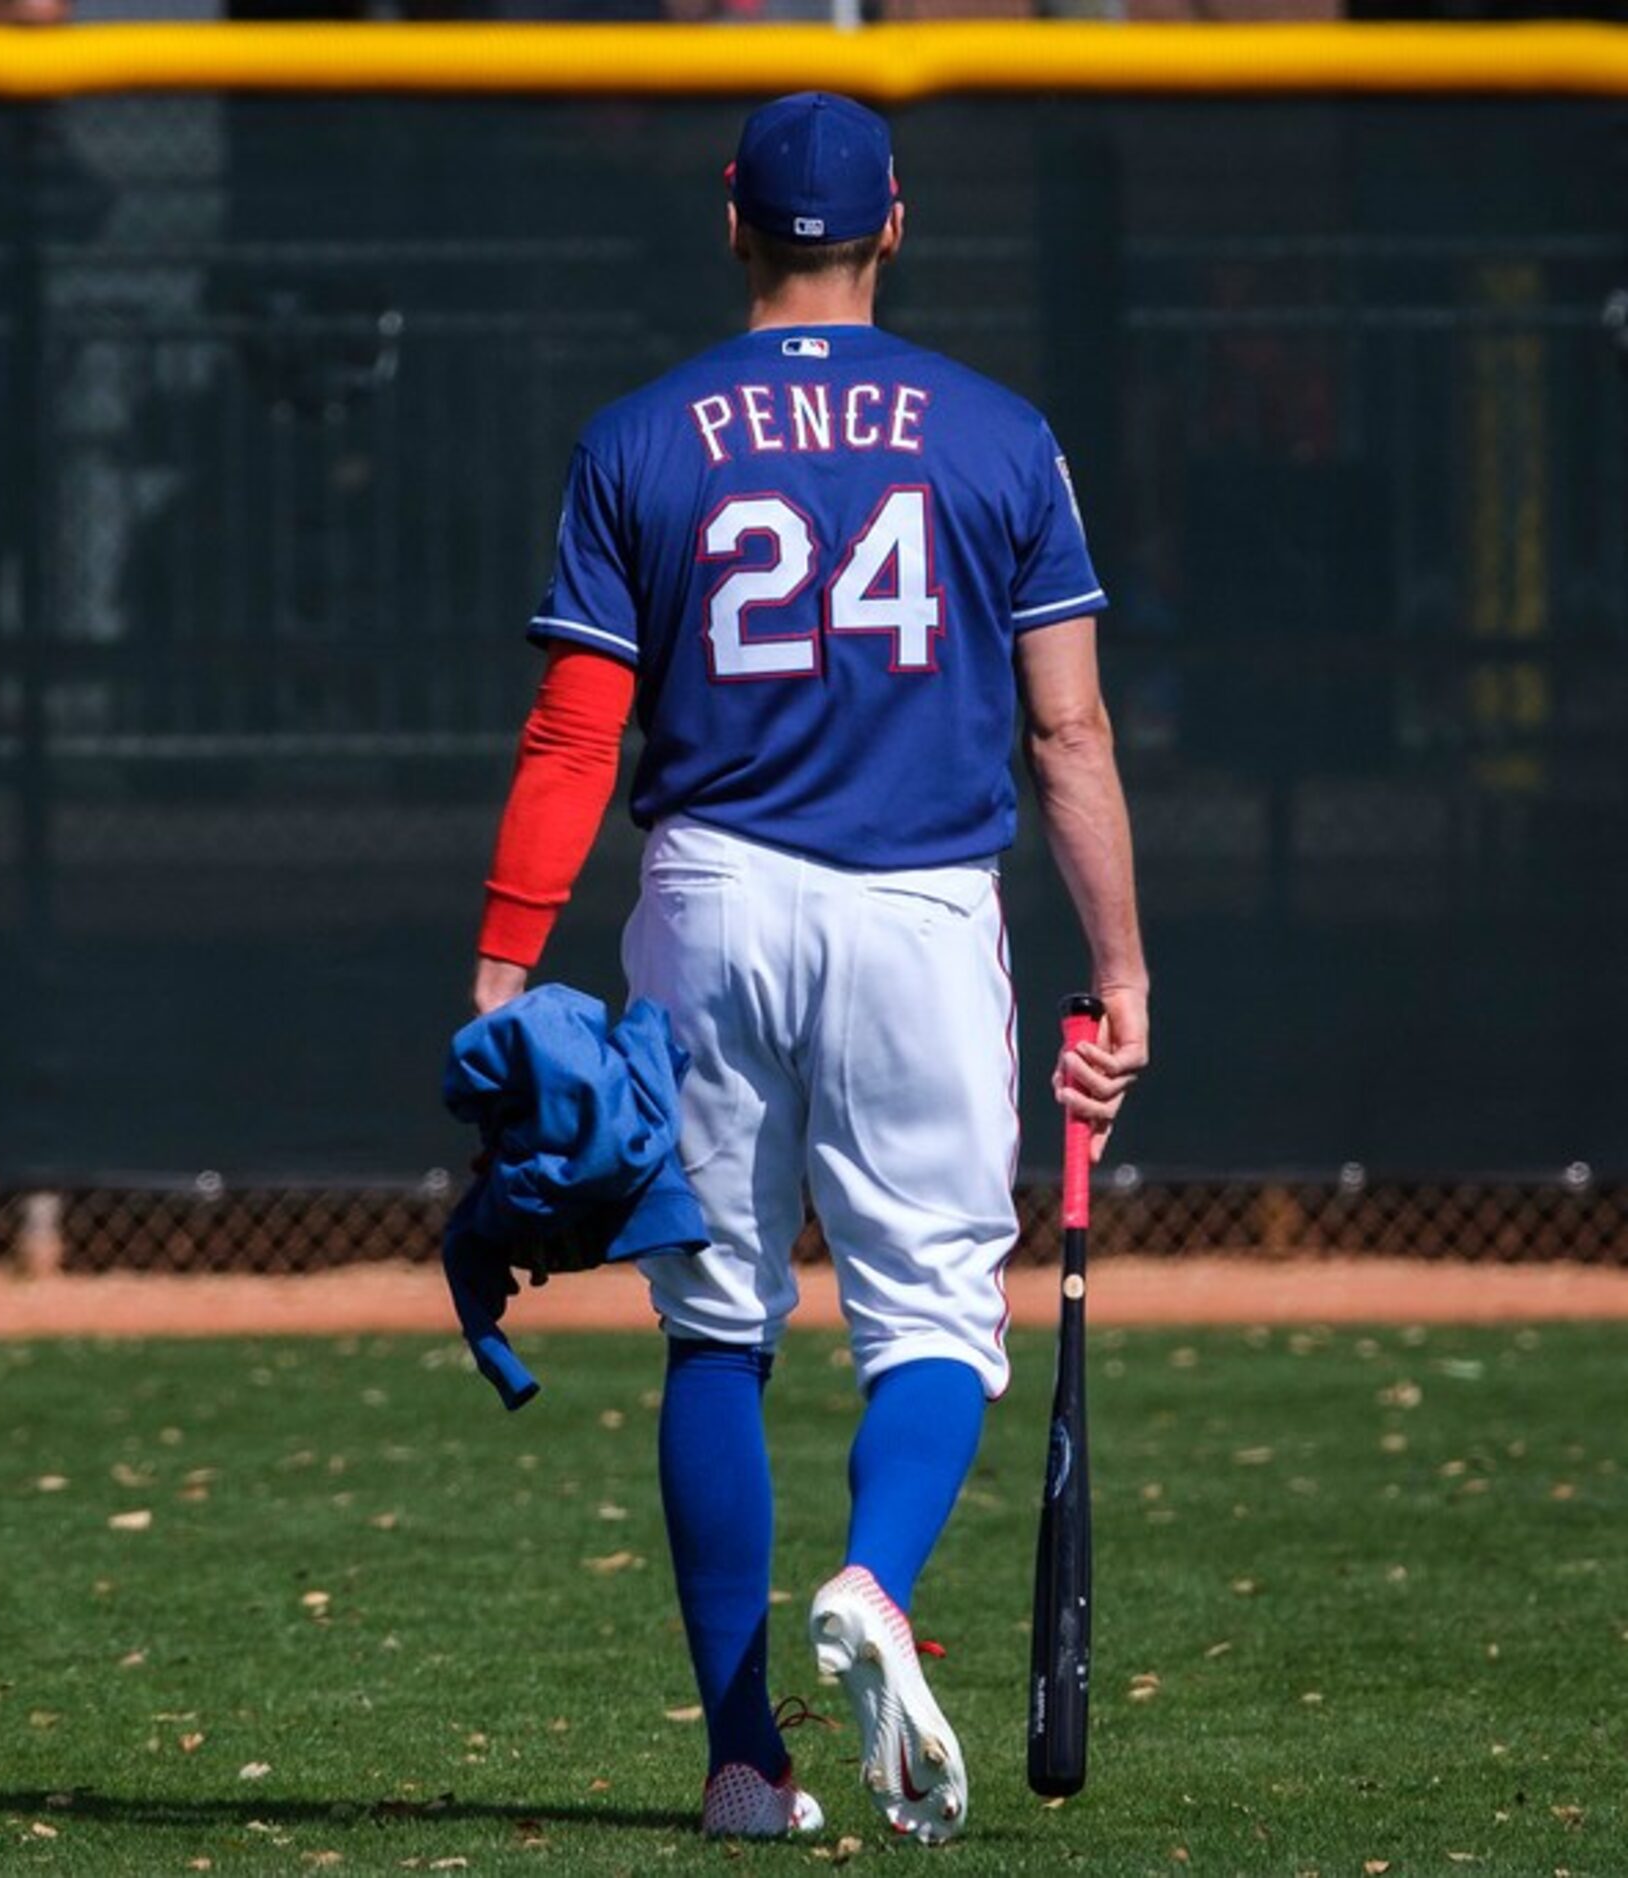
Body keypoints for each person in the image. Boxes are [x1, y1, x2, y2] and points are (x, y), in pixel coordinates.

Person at [467, 93, 1149, 1845]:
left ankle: (741, 1762)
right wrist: (1122, 966)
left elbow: (572, 728)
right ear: (895, 226)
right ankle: (874, 1574)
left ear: (734, 224)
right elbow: (1066, 738)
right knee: (930, 1316)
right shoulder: (1002, 436)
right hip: (921, 906)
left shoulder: (642, 436)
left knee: (715, 1326)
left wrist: (501, 964)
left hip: (709, 896)